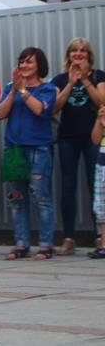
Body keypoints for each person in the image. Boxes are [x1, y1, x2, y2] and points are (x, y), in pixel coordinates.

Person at [0, 47, 57, 260]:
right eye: (21, 62)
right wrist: (13, 91)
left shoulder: (47, 88)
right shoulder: (10, 87)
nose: (24, 65)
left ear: (39, 65)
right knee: (17, 198)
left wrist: (23, 90)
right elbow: (0, 113)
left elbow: (40, 110)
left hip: (38, 149)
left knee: (41, 198)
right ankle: (21, 243)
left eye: (29, 62)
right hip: (15, 150)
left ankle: (46, 245)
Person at [51, 38, 105, 255]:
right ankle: (69, 238)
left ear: (89, 55)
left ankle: (99, 237)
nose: (78, 54)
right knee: (68, 186)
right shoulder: (60, 78)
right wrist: (71, 83)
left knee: (96, 186)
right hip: (68, 137)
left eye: (83, 51)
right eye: (74, 50)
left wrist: (85, 80)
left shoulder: (99, 76)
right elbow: (54, 107)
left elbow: (102, 102)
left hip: (93, 137)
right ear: (69, 54)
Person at [88, 106, 105, 259]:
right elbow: (95, 139)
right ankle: (104, 245)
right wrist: (99, 121)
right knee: (101, 206)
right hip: (102, 162)